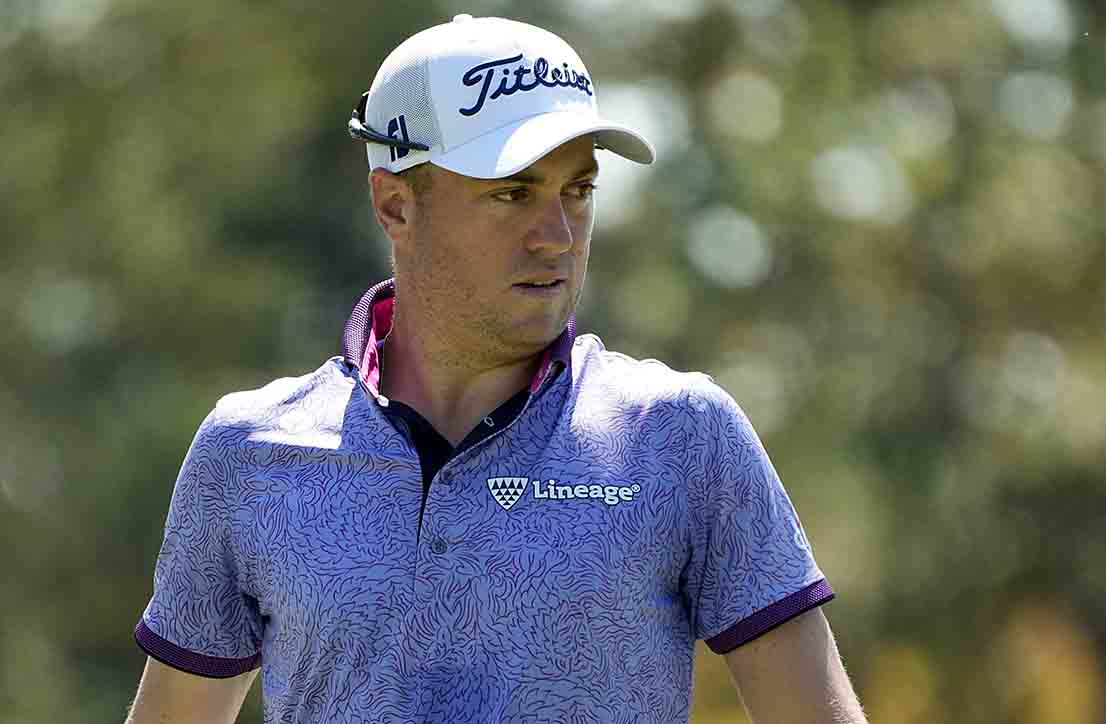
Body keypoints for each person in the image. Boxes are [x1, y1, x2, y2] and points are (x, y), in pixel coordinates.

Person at [125, 14, 868, 724]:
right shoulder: (246, 453)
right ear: (394, 204)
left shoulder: (682, 436)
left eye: (577, 189)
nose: (557, 236)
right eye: (512, 192)